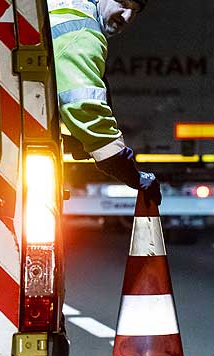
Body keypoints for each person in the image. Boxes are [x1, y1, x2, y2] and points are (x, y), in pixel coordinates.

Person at [49, 0, 162, 205]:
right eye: (123, 2)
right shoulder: (81, 30)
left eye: (134, 11)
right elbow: (85, 108)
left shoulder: (59, 10)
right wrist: (129, 172)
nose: (127, 17)